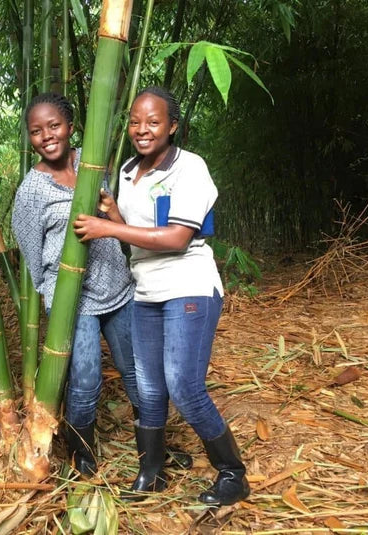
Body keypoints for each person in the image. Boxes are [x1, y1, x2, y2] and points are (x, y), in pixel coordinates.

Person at [73, 86, 250, 506]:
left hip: (187, 284)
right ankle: (150, 474)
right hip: (146, 289)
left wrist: (108, 228)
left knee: (184, 385)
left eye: (153, 122)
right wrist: (115, 214)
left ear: (172, 126)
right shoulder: (130, 169)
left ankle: (233, 474)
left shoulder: (190, 168)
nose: (142, 129)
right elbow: (139, 231)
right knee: (150, 389)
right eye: (135, 121)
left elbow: (175, 237)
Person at [11, 92, 140, 477]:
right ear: (30, 138)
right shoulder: (31, 191)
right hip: (73, 299)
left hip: (116, 286)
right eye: (37, 131)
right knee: (85, 379)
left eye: (54, 126)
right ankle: (81, 453)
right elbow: (32, 254)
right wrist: (56, 292)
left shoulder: (91, 161)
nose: (47, 136)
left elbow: (113, 213)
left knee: (136, 370)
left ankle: (152, 444)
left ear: (69, 126)